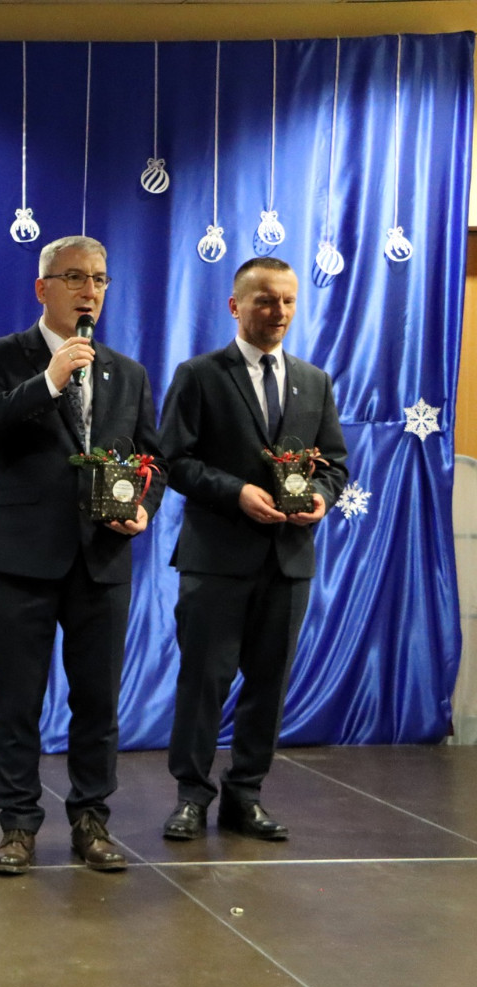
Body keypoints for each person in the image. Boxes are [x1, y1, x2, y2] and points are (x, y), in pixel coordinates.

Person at [0, 235, 164, 875]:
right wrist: (49, 380)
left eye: (99, 279)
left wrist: (143, 508)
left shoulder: (127, 372)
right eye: (75, 277)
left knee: (98, 701)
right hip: (22, 557)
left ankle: (91, 819)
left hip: (102, 557)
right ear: (42, 288)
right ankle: (18, 825)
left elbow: (151, 457)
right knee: (19, 701)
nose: (89, 290)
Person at [158, 256, 347, 843]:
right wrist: (235, 492)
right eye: (265, 300)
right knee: (204, 683)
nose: (279, 311)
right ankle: (191, 796)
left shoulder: (314, 381)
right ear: (235, 306)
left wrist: (320, 497)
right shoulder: (199, 375)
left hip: (288, 561)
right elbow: (173, 461)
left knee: (269, 686)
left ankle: (246, 795)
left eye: (287, 300)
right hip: (216, 560)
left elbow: (335, 465)